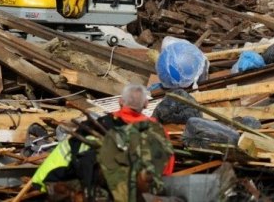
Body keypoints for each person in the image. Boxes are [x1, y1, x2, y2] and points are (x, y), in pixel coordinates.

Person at [32, 84, 174, 197]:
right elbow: (167, 171)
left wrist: (40, 183)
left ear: (120, 102)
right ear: (146, 104)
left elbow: (65, 156)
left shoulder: (96, 126)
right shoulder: (158, 131)